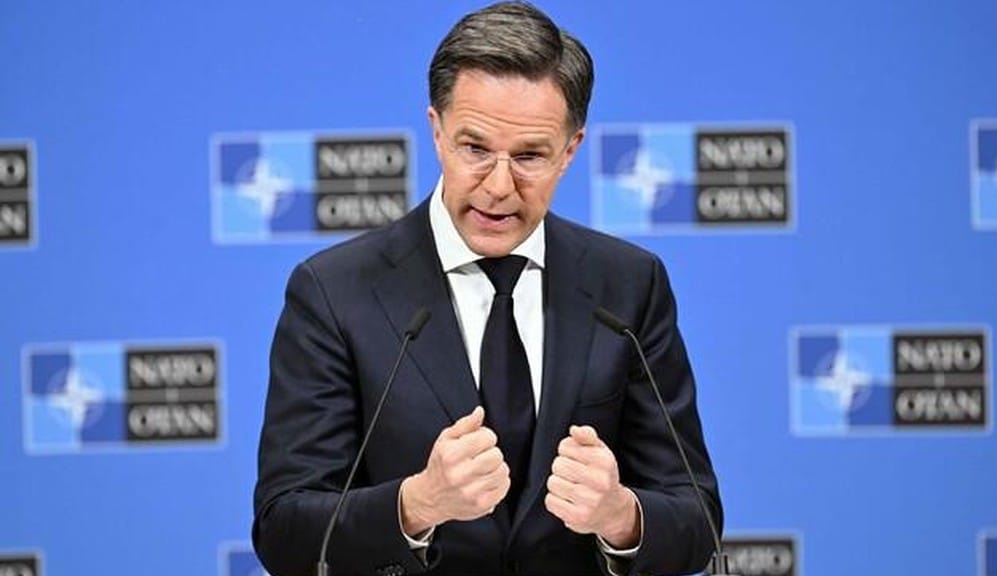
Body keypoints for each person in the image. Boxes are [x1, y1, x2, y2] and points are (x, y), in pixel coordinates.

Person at [253, 2, 722, 575]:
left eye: (529, 156)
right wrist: (416, 504)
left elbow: (697, 518)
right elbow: (284, 530)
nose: (499, 187)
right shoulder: (335, 292)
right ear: (437, 131)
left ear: (570, 150)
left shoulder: (627, 285)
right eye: (475, 149)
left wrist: (621, 515)